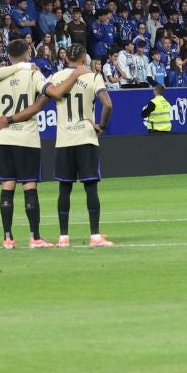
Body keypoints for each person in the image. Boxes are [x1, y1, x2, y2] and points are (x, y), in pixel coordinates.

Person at [0, 38, 54, 249]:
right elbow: (49, 91)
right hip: (27, 138)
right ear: (27, 53)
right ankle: (35, 237)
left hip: (5, 138)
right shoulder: (33, 73)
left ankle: (7, 238)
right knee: (29, 185)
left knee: (7, 185)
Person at [46, 50, 113, 246]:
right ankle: (95, 236)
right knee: (90, 187)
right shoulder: (93, 76)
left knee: (64, 188)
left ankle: (63, 237)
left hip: (64, 139)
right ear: (84, 59)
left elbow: (41, 96)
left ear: (66, 58)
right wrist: (102, 126)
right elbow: (108, 104)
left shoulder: (56, 77)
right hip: (86, 137)